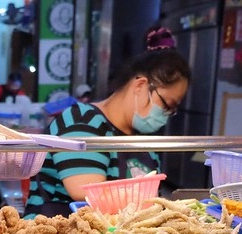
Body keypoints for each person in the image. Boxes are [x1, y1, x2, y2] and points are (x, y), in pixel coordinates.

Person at [24, 27, 190, 218]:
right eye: (166, 104)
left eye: (172, 110)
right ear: (140, 85)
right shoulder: (82, 121)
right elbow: (87, 193)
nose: (166, 114)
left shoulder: (144, 142)